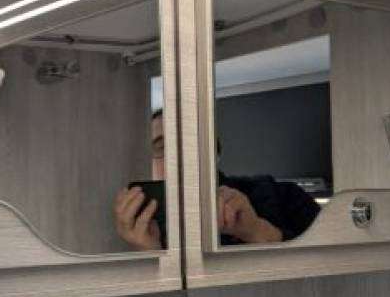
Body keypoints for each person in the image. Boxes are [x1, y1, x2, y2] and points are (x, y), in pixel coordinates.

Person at [113, 108, 321, 251]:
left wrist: (257, 231)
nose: (179, 156)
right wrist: (151, 255)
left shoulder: (285, 196)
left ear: (215, 152)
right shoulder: (141, 224)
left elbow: (331, 267)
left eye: (191, 143)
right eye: (161, 147)